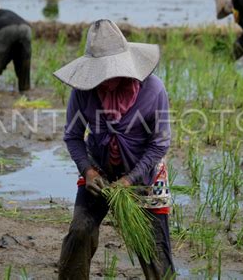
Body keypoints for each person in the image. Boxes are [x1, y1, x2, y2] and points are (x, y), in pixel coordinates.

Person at [54, 19, 175, 280]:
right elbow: (73, 137)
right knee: (79, 233)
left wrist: (130, 179)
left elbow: (160, 143)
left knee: (154, 251)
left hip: (144, 174)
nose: (105, 80)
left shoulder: (153, 90)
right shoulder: (83, 93)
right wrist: (87, 171)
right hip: (99, 172)